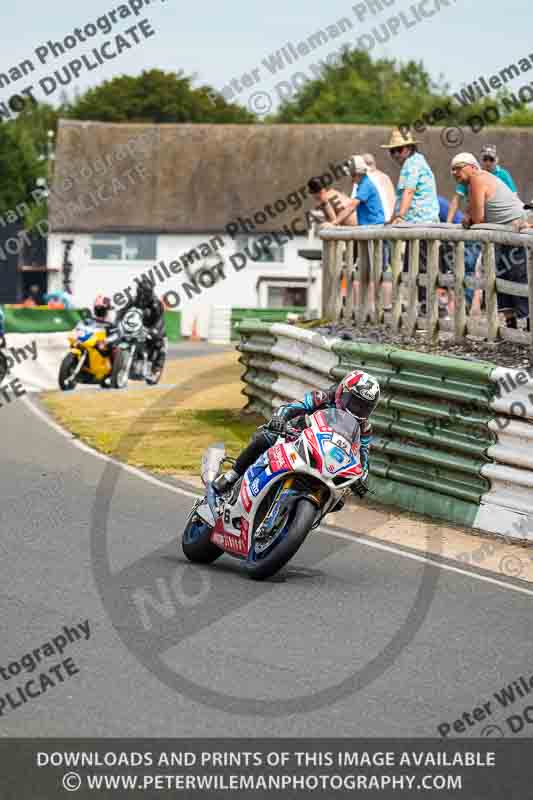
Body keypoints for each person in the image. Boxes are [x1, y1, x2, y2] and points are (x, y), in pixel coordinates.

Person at [213, 370, 380, 499]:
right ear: (342, 391)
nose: (357, 409)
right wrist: (279, 419)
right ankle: (232, 476)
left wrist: (362, 478)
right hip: (297, 437)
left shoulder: (364, 428)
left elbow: (364, 457)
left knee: (338, 499)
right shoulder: (322, 397)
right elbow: (291, 407)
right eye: (354, 402)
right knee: (266, 438)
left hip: (328, 460)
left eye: (363, 407)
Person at [450, 152, 529, 327]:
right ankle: (510, 326)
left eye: (458, 168)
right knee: (499, 277)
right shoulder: (472, 184)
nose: (455, 172)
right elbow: (471, 215)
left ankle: (526, 327)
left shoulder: (477, 178)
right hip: (503, 234)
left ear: (472, 167)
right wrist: (469, 217)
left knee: (518, 277)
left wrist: (470, 218)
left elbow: (477, 219)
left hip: (516, 230)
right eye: (452, 170)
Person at [381, 129, 439, 311]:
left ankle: (426, 305)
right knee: (412, 265)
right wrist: (393, 217)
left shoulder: (412, 164)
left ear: (408, 148)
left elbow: (409, 191)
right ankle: (418, 304)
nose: (395, 155)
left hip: (420, 222)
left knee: (420, 266)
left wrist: (400, 216)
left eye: (398, 150)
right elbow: (402, 197)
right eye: (392, 151)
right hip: (416, 221)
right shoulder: (414, 162)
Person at [448, 145, 518, 223]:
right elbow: (457, 199)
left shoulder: (501, 174)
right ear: (480, 160)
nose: (488, 163)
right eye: (485, 159)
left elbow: (514, 196)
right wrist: (448, 223)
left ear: (496, 160)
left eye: (491, 159)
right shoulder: (469, 177)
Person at [116, 277, 166, 376]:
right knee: (119, 337)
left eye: (144, 292)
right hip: (137, 324)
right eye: (140, 291)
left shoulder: (155, 303)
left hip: (153, 325)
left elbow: (159, 319)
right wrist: (117, 320)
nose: (142, 294)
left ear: (149, 292)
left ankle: (157, 366)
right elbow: (123, 310)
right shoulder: (134, 299)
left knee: (158, 342)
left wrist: (153, 330)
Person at [438, 196, 481, 311]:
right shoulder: (438, 201)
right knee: (463, 269)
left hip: (465, 233)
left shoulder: (435, 204)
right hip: (460, 233)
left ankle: (466, 303)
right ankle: (464, 303)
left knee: (468, 268)